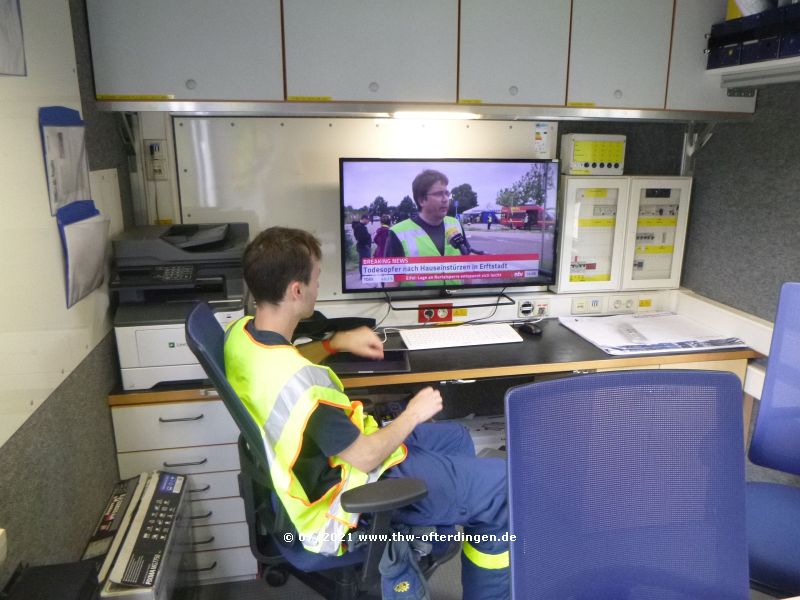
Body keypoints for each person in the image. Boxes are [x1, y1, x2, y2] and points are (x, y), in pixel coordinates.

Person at [224, 227, 509, 600]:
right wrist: (412, 413)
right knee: (503, 487)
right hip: (348, 488)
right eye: (316, 278)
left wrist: (334, 342)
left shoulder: (241, 335)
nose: (318, 286)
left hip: (324, 463)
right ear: (297, 290)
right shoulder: (304, 387)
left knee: (456, 438)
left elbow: (286, 357)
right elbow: (366, 455)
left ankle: (438, 522)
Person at [384, 170, 465, 259]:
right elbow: (390, 271)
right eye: (438, 194)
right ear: (421, 200)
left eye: (446, 194)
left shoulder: (455, 224)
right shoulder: (398, 233)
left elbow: (467, 259)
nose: (445, 199)